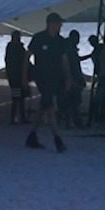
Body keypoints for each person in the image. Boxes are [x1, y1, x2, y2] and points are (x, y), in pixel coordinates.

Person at [25, 12, 71, 152]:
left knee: (43, 106)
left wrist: (68, 77)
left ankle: (32, 135)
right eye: (58, 24)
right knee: (49, 106)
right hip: (42, 77)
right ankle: (58, 140)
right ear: (50, 24)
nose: (60, 26)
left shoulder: (61, 41)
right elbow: (27, 56)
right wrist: (25, 75)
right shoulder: (39, 38)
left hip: (56, 77)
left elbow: (64, 61)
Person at [3, 29, 30, 125]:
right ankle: (19, 117)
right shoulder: (18, 48)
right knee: (20, 97)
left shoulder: (10, 48)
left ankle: (15, 117)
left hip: (12, 75)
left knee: (16, 97)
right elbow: (24, 61)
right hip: (18, 75)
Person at [63, 29, 87, 129]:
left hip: (69, 77)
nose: (78, 40)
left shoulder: (67, 48)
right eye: (77, 38)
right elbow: (74, 65)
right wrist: (79, 78)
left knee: (69, 100)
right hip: (73, 78)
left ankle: (70, 121)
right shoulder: (70, 50)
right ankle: (76, 122)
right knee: (75, 100)